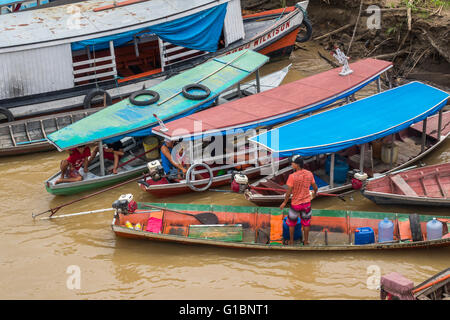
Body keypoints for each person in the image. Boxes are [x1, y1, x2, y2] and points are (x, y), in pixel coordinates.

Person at [280, 155, 318, 245]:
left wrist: (284, 202)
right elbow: (315, 187)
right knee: (306, 223)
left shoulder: (292, 176)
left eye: (292, 163)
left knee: (291, 223)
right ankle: (306, 241)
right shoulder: (309, 174)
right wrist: (315, 193)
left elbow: (288, 193)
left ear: (297, 165)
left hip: (295, 204)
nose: (291, 164)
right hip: (306, 204)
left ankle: (291, 241)